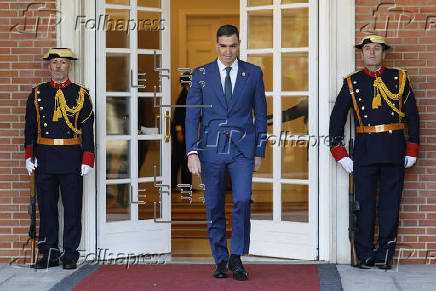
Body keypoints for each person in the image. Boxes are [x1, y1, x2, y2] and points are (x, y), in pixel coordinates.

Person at [329, 35, 419, 269]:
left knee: (390, 205)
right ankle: (365, 254)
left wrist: (412, 147)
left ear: (383, 53)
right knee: (365, 205)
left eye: (376, 49)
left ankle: (385, 255)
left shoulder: (399, 79)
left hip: (394, 150)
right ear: (362, 53)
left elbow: (413, 116)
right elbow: (336, 120)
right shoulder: (352, 82)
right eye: (367, 49)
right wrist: (340, 153)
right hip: (365, 152)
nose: (371, 53)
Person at [185, 25, 267, 280]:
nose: (228, 51)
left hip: (243, 150)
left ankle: (237, 256)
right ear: (216, 45)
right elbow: (191, 117)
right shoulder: (200, 74)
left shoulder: (253, 73)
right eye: (223, 46)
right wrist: (192, 152)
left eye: (232, 45)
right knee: (215, 206)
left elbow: (261, 115)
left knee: (242, 200)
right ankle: (220, 259)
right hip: (210, 151)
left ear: (239, 44)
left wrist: (259, 150)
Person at [24, 48, 95, 270]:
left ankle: (70, 254)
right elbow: (30, 128)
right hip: (45, 158)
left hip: (72, 157)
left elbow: (88, 129)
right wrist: (29, 155)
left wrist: (87, 158)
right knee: (47, 208)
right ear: (49, 66)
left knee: (73, 208)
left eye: (63, 62)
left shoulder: (81, 94)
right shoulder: (36, 94)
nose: (58, 67)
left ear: (69, 66)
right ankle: (49, 254)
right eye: (54, 62)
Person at [171, 74, 192, 188]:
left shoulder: (187, 95)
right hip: (181, 132)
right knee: (179, 159)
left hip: (185, 132)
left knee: (183, 159)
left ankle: (185, 185)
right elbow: (178, 117)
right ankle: (178, 184)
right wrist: (179, 132)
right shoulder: (184, 97)